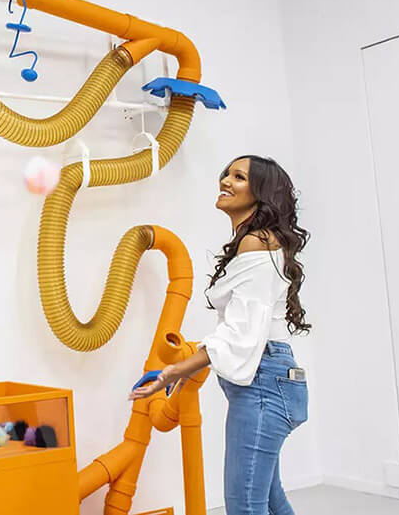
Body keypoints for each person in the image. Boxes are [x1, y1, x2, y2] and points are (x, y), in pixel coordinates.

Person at [130, 155, 312, 515]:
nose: (226, 181)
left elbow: (240, 333)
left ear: (261, 192)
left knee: (245, 505)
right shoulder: (258, 242)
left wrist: (174, 371)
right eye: (226, 174)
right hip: (271, 379)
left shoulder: (257, 243)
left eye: (239, 177)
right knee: (269, 499)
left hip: (265, 384)